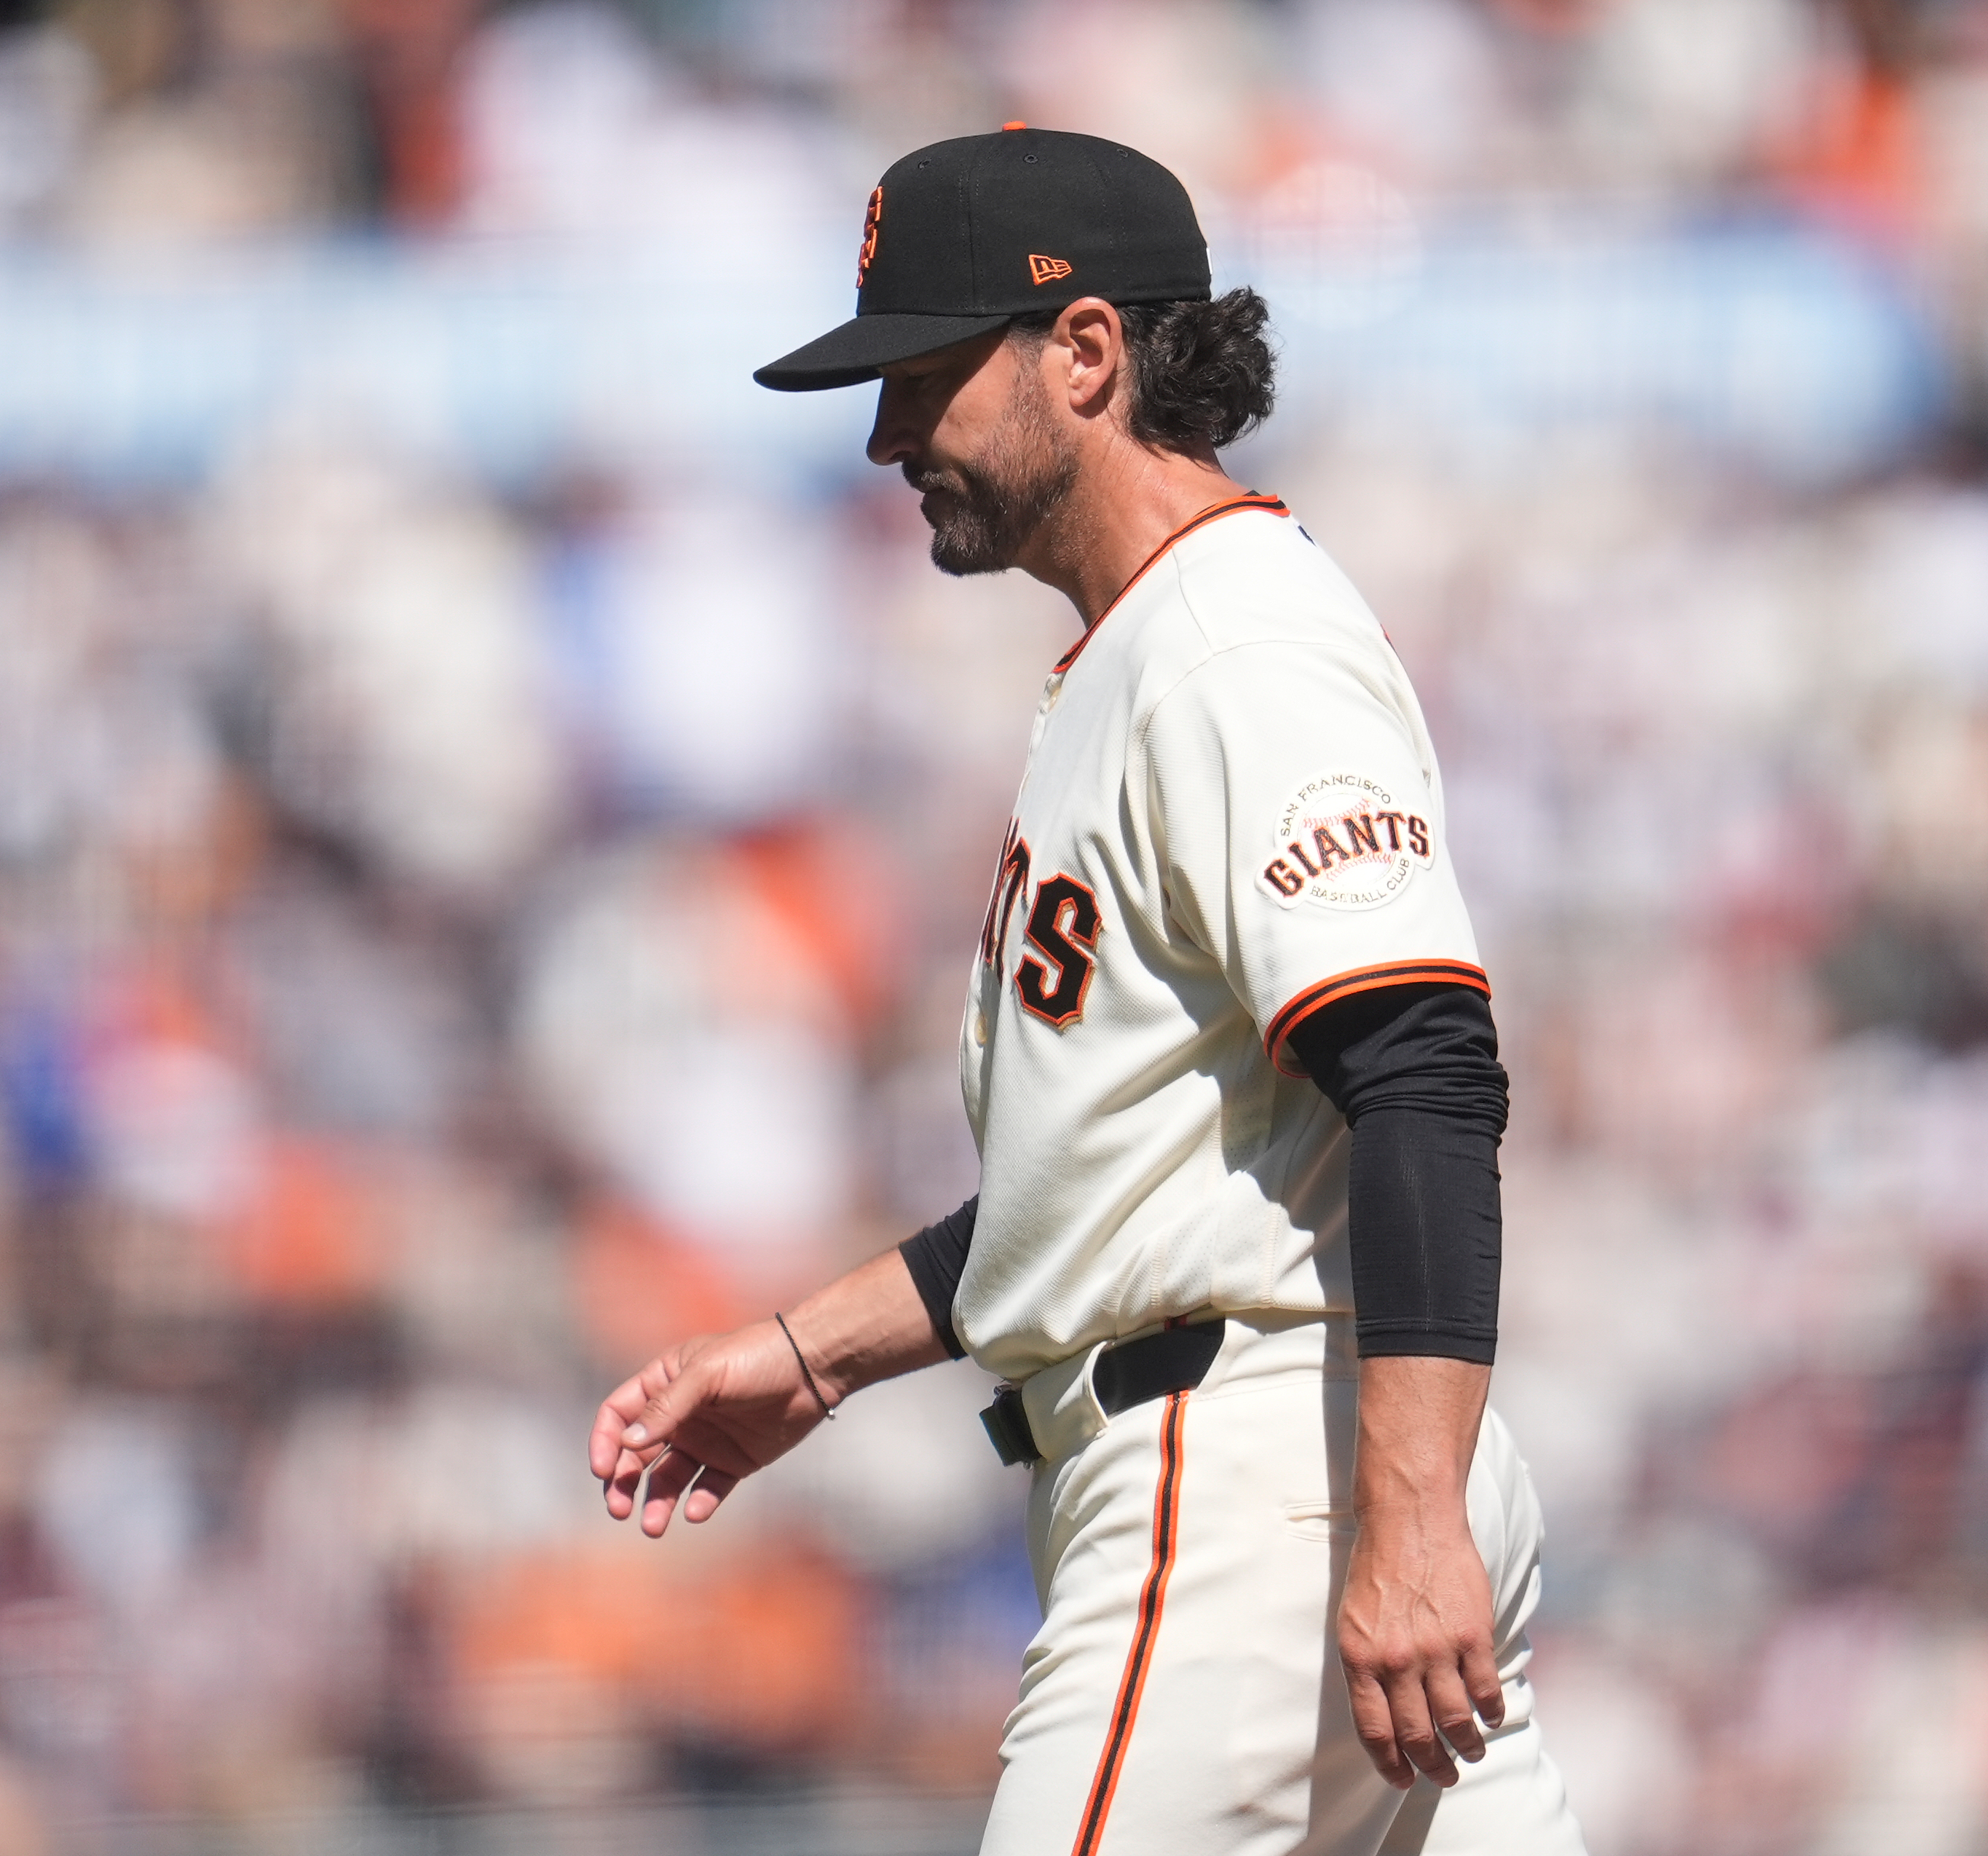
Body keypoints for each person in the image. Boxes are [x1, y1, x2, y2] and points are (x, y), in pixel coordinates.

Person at [587, 126, 1585, 1855]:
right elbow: (1127, 1185)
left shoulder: (1233, 639)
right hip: (1283, 1461)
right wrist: (809, 1357)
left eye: (923, 374)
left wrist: (1407, 1515)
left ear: (1088, 353)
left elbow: (1422, 1067)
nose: (890, 433)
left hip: (1257, 1481)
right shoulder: (1144, 653)